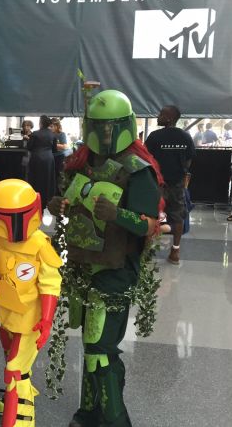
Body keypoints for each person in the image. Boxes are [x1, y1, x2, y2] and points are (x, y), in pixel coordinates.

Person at [47, 89, 163, 427]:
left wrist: (118, 215)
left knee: (101, 349)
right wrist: (58, 206)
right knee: (91, 345)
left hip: (115, 269)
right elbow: (71, 206)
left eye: (112, 126)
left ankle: (115, 419)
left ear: (125, 125)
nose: (106, 134)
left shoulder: (137, 169)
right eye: (100, 126)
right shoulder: (81, 164)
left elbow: (150, 225)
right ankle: (88, 412)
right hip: (82, 266)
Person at [0, 178, 61, 427]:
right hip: (2, 313)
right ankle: (16, 398)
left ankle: (21, 420)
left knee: (14, 370)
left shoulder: (39, 244)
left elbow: (50, 283)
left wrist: (46, 320)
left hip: (30, 318)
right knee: (14, 362)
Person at [145, 105, 194, 265]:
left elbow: (146, 159)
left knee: (150, 214)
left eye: (161, 114)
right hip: (177, 184)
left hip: (156, 184)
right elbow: (189, 160)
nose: (158, 117)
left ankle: (146, 250)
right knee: (177, 216)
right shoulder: (185, 137)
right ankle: (175, 251)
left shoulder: (154, 136)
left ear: (169, 118)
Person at [26, 116, 57, 207]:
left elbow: (29, 147)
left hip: (37, 158)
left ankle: (35, 199)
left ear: (41, 123)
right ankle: (47, 200)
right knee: (48, 179)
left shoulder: (35, 134)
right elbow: (54, 149)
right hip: (49, 159)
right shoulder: (52, 134)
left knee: (36, 178)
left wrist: (27, 139)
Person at [51, 117, 72, 184]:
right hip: (51, 157)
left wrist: (54, 144)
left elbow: (65, 146)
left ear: (57, 126)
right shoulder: (49, 134)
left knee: (59, 174)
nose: (51, 128)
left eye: (52, 126)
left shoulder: (61, 134)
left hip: (59, 157)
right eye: (50, 126)